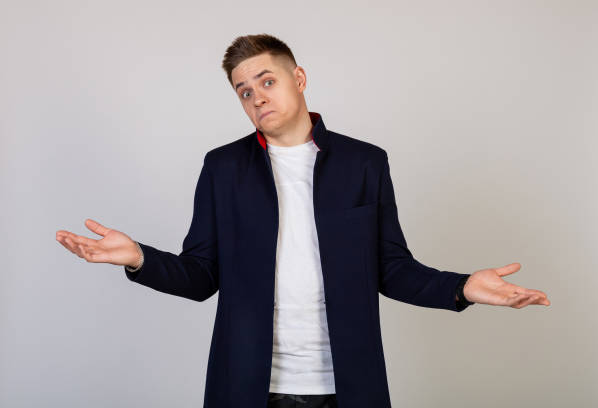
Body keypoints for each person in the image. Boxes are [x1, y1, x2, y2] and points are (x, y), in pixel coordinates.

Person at [56, 33, 550, 408]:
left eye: (266, 81)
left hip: (346, 385)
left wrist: (464, 286)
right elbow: (202, 276)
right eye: (244, 91)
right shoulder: (222, 167)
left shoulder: (365, 163)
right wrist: (141, 258)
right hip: (249, 387)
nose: (257, 98)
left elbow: (392, 268)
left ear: (299, 78)